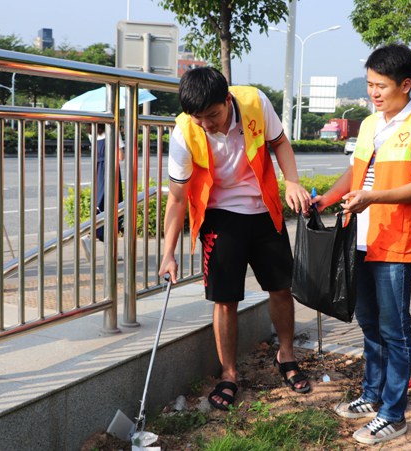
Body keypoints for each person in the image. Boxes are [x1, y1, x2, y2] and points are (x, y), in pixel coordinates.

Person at [158, 67, 311, 411]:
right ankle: (228, 374)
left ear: (227, 100)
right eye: (199, 119)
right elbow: (177, 198)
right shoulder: (185, 131)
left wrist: (294, 182)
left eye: (212, 115)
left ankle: (285, 355)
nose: (207, 125)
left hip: (263, 207)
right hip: (219, 215)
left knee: (281, 288)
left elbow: (279, 142)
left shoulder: (255, 102)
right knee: (224, 300)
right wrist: (168, 253)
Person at [312, 44, 411, 445]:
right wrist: (326, 200)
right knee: (368, 322)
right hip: (361, 237)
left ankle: (393, 414)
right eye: (369, 84)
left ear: (406, 84)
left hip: (397, 240)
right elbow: (355, 176)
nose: (374, 93)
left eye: (381, 86)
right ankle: (371, 395)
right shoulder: (369, 125)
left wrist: (373, 198)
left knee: (395, 329)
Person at [81, 123, 125, 261]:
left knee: (100, 203)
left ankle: (108, 248)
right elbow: (120, 156)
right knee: (114, 207)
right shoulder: (113, 131)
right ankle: (91, 237)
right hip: (111, 170)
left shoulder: (92, 132)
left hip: (98, 170)